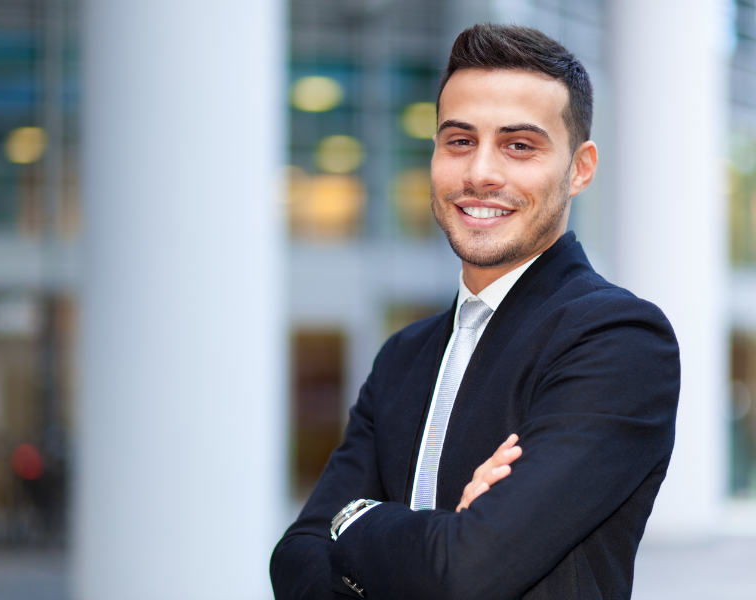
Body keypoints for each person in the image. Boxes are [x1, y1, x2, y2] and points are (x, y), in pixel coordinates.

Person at [271, 23, 680, 600]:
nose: (481, 173)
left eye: (519, 145)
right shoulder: (403, 356)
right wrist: (441, 537)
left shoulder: (619, 340)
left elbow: (468, 572)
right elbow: (292, 564)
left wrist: (353, 521)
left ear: (580, 168)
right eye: (459, 141)